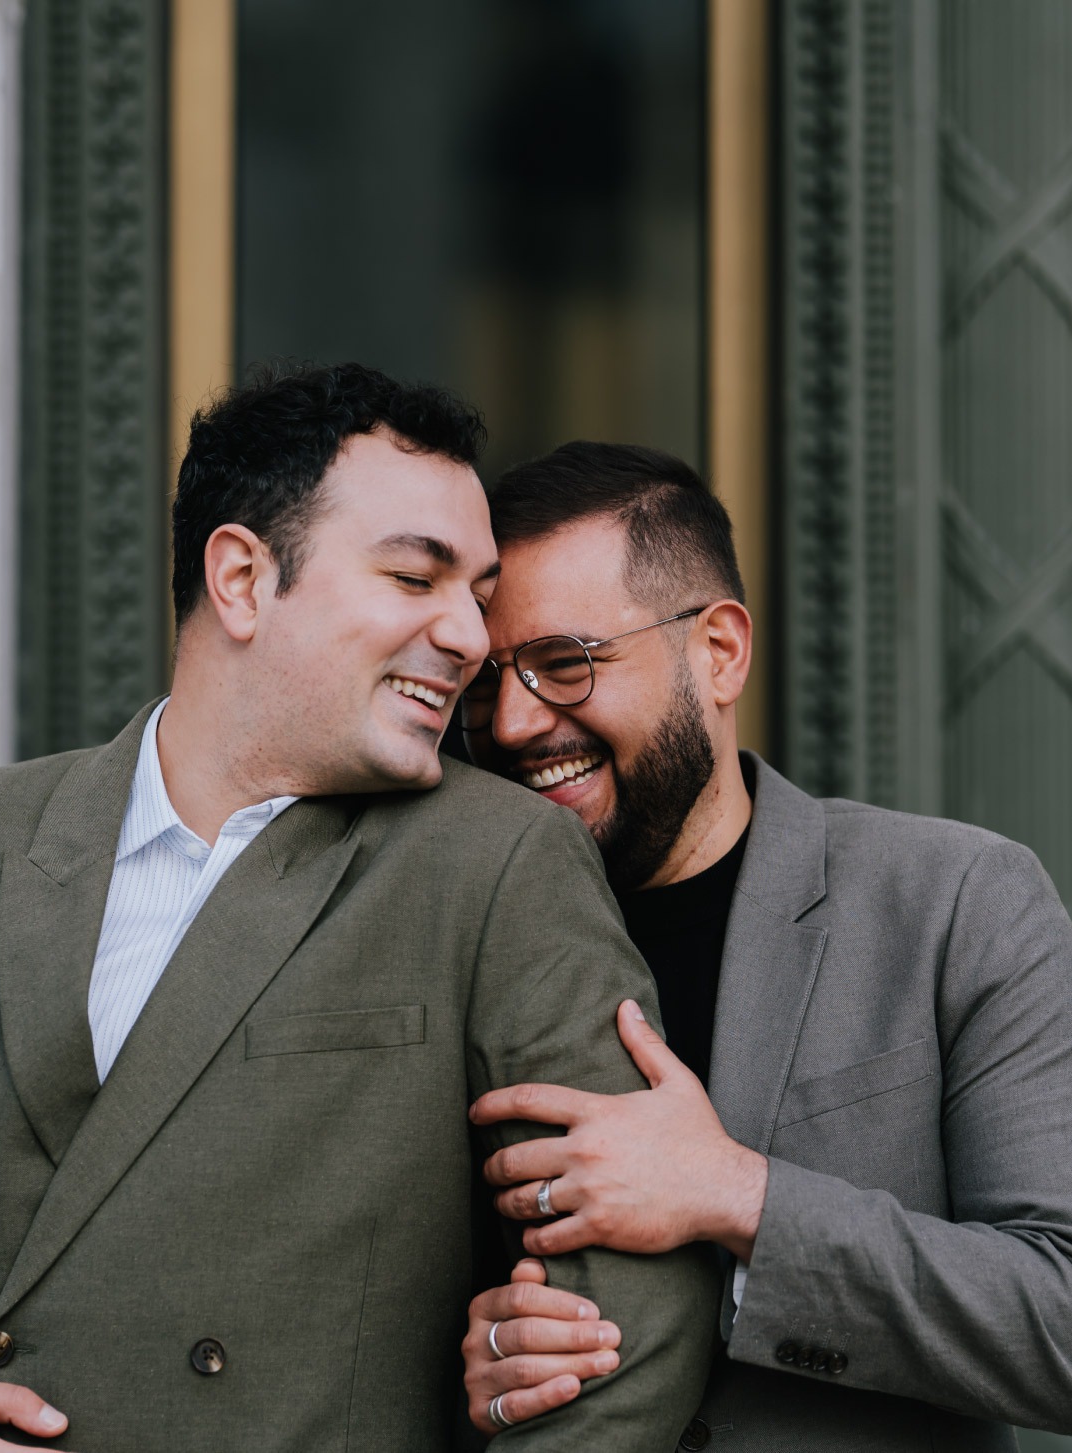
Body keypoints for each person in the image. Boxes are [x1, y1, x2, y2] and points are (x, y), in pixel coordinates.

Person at [0, 372, 720, 1453]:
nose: (469, 636)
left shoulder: (495, 862)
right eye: (414, 576)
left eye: (477, 594)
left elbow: (627, 1320)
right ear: (241, 579)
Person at [459, 441, 1072, 1450]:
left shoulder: (960, 902)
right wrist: (482, 1366)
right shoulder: (461, 938)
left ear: (719, 651)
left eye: (563, 663)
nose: (516, 721)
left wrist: (738, 1196)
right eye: (485, 683)